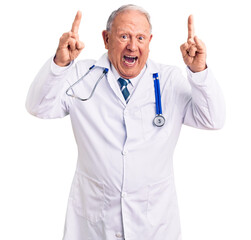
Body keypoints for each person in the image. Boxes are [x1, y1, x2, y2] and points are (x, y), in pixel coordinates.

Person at [26, 4, 225, 240]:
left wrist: (199, 70)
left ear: (150, 41)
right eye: (123, 36)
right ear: (106, 38)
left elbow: (213, 119)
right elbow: (38, 107)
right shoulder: (82, 74)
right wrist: (60, 65)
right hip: (94, 227)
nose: (133, 46)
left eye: (140, 37)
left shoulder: (168, 79)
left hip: (154, 227)